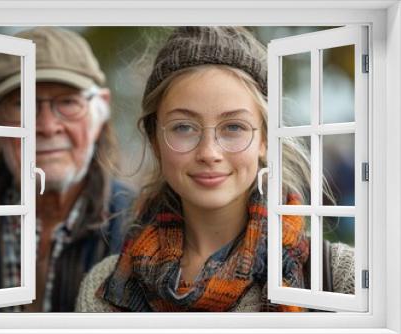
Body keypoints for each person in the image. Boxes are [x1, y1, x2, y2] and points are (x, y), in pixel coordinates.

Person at [75, 26, 354, 312]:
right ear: (155, 140)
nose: (209, 152)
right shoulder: (105, 290)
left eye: (234, 127)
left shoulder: (337, 279)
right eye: (183, 127)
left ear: (265, 139)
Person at [0, 27, 134, 312]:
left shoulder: (143, 230)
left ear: (101, 111)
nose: (47, 126)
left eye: (69, 102)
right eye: (22, 104)